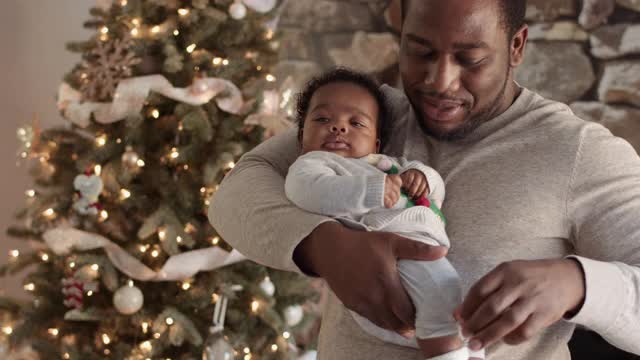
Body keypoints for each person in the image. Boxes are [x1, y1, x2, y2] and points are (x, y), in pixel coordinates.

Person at [209, 0, 640, 359]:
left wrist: (578, 284)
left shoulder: (579, 152)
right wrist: (323, 246)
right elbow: (236, 191)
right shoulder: (371, 117)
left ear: (516, 46)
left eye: (470, 59)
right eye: (420, 52)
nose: (439, 81)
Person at [283, 68, 483, 360]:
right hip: (388, 251)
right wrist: (372, 190)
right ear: (302, 137)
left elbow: (435, 190)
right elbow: (310, 192)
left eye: (356, 123)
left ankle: (469, 352)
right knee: (442, 297)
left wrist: (422, 177)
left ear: (376, 143)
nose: (338, 127)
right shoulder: (312, 165)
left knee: (459, 305)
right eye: (323, 119)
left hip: (423, 243)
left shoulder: (387, 164)